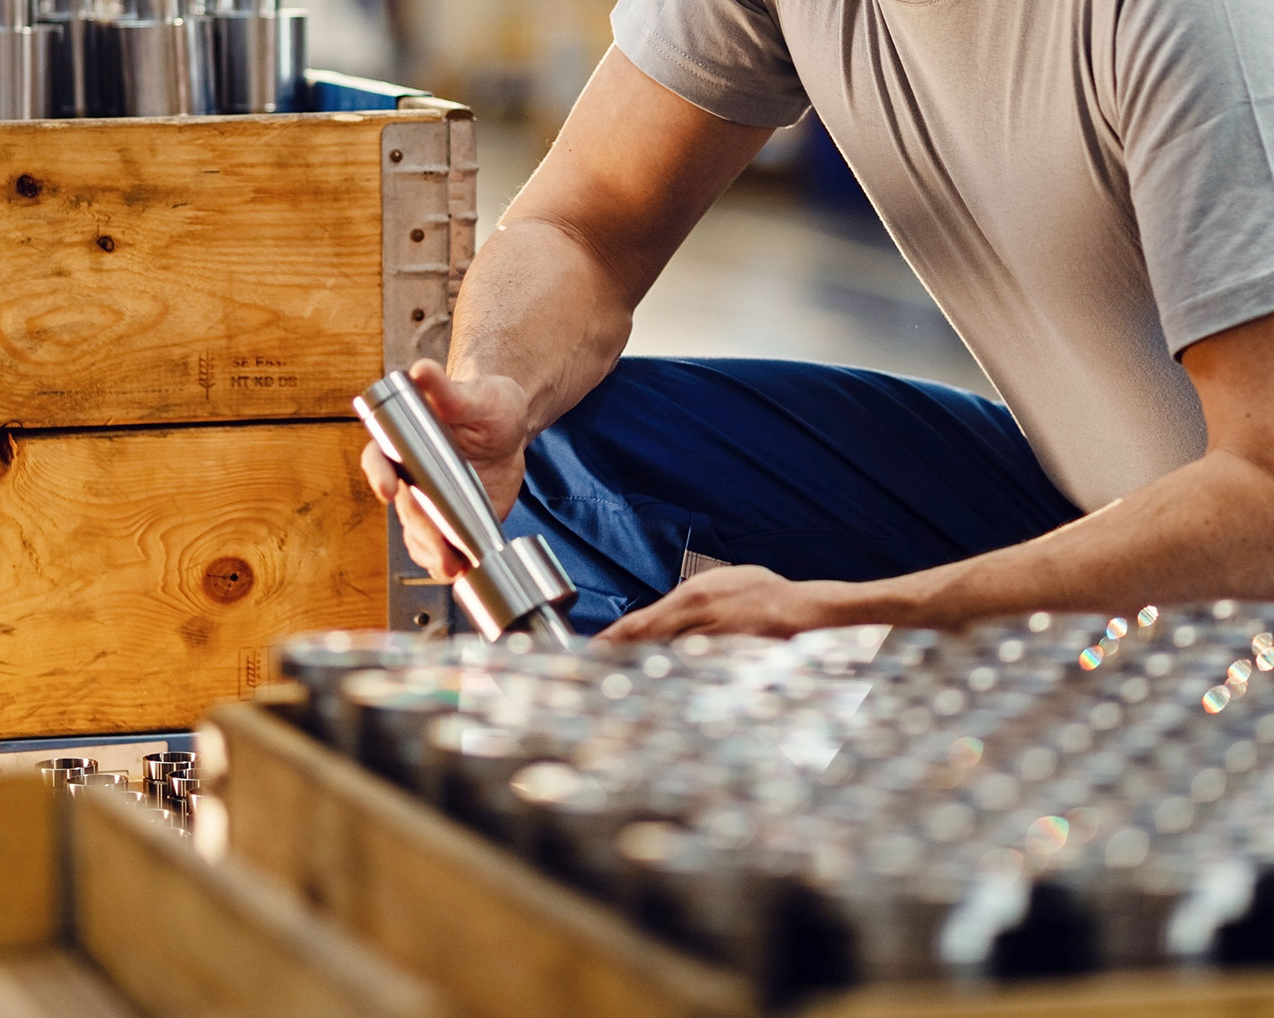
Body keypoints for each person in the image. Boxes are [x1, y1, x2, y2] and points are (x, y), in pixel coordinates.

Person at [362, 0, 1274, 641]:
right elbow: (585, 225)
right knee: (562, 445)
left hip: (1242, 560)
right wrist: (494, 392)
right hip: (1082, 501)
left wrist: (863, 619)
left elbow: (1263, 495)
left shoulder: (1194, 24)